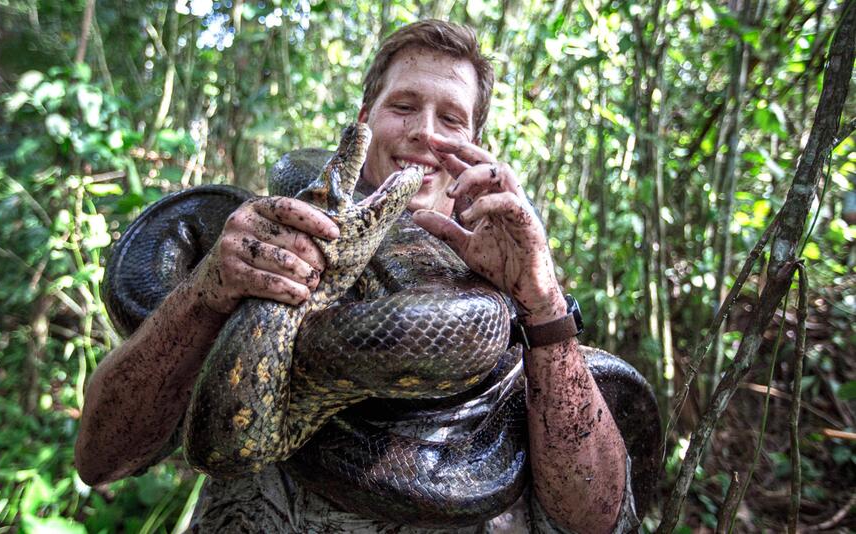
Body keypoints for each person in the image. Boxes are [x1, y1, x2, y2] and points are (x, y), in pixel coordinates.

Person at [76, 20, 639, 533]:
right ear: (364, 120)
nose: (424, 132)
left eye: (450, 118)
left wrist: (541, 306)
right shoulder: (261, 248)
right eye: (404, 106)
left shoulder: (513, 285)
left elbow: (595, 518)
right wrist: (203, 296)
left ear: (474, 145)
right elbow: (101, 456)